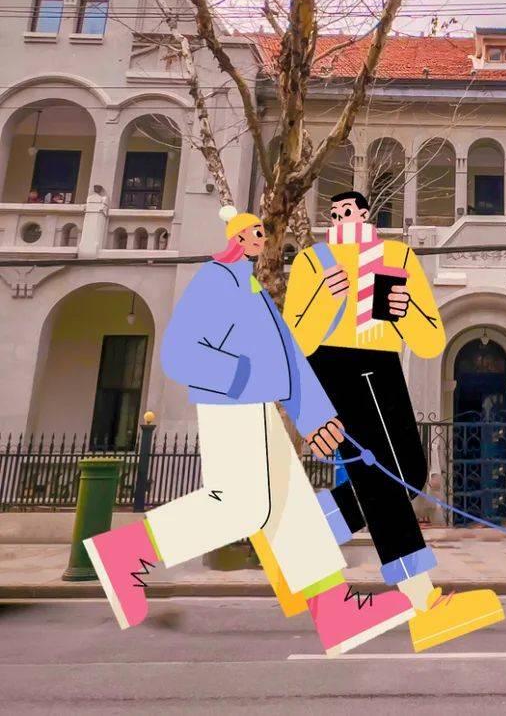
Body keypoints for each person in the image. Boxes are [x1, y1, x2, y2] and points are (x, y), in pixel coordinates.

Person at [83, 206, 414, 657]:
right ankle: (127, 551)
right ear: (235, 238)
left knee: (292, 509)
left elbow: (288, 357)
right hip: (230, 404)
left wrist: (315, 416)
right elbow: (180, 353)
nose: (261, 238)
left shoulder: (252, 289)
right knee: (243, 506)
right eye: (253, 232)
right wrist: (245, 378)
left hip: (257, 406)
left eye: (262, 232)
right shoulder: (215, 281)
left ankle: (335, 609)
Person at [279, 189, 504, 651]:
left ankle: (305, 533)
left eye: (348, 211)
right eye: (334, 213)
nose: (340, 217)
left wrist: (407, 311)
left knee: (410, 473)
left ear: (366, 214)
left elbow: (429, 340)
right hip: (333, 364)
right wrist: (323, 300)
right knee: (378, 480)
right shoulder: (313, 261)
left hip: (382, 364)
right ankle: (424, 603)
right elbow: (293, 338)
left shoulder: (398, 257)